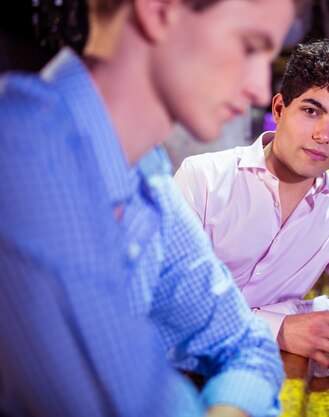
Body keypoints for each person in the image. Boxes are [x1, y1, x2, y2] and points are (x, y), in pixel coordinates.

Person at [0, 0, 297, 416]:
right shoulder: (22, 154)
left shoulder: (145, 171)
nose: (259, 90)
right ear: (158, 10)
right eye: (249, 46)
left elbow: (247, 344)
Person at [173, 40, 329, 368]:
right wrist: (279, 328)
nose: (323, 135)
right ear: (278, 109)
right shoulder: (203, 179)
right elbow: (172, 302)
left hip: (263, 371)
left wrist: (295, 318)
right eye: (311, 111)